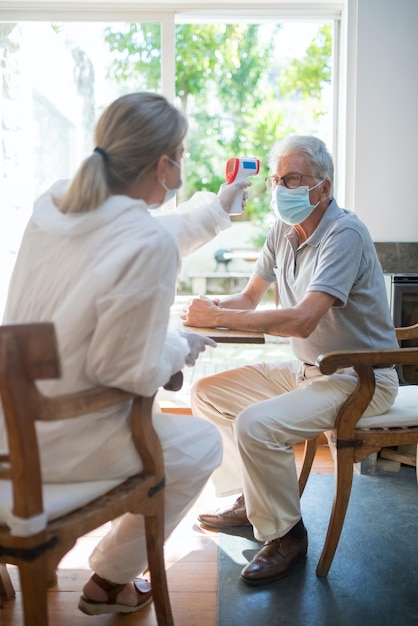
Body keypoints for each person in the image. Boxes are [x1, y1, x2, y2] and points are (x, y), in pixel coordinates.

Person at [0, 92, 247, 615]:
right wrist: (180, 346)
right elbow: (126, 372)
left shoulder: (55, 203)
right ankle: (111, 581)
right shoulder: (145, 242)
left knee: (180, 437)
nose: (181, 165)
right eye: (180, 155)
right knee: (200, 445)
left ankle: (93, 570)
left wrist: (216, 207)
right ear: (164, 165)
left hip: (7, 430)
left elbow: (136, 237)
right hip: (64, 442)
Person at [181, 135, 399, 586]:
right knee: (205, 394)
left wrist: (219, 316)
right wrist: (198, 308)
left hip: (360, 378)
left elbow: (302, 320)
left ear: (324, 185)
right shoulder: (283, 230)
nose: (281, 188)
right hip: (307, 371)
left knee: (255, 425)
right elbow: (247, 298)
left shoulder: (345, 234)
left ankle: (287, 535)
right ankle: (250, 498)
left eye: (293, 178)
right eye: (278, 179)